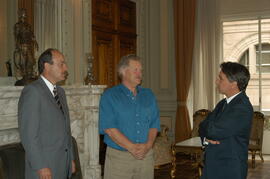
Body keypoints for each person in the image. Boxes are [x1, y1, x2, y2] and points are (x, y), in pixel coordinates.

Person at [99, 54, 160, 179]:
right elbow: (109, 128)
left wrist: (147, 146)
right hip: (119, 159)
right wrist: (132, 147)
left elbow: (154, 124)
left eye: (141, 70)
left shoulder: (148, 95)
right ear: (123, 72)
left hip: (146, 157)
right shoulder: (110, 95)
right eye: (135, 70)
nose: (139, 73)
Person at [18, 48, 75, 179]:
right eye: (61, 64)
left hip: (62, 164)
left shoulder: (61, 92)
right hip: (45, 167)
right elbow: (29, 135)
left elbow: (66, 129)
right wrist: (40, 166)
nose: (65, 68)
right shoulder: (32, 92)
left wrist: (70, 158)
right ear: (46, 66)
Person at [199, 62, 253, 179]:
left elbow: (213, 131)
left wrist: (208, 131)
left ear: (234, 84)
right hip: (213, 167)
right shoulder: (223, 103)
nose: (216, 81)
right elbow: (202, 126)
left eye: (221, 78)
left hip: (229, 169)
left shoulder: (242, 107)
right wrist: (206, 138)